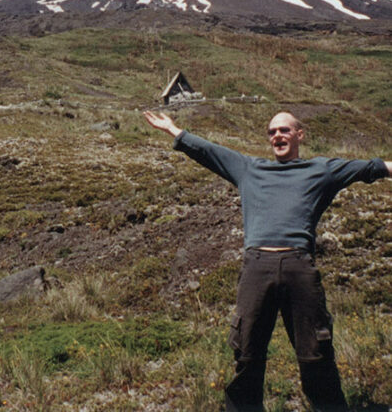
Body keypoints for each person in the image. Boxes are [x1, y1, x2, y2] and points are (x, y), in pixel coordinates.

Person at [143, 110, 391, 412]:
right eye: (272, 132)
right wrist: (173, 130)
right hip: (256, 268)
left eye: (284, 130)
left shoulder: (321, 169)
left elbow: (372, 167)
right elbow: (209, 151)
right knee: (246, 352)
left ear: (299, 135)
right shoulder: (249, 168)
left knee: (316, 351)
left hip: (299, 268)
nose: (277, 136)